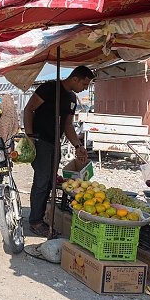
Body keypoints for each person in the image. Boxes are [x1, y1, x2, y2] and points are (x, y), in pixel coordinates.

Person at [24, 66, 94, 237]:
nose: (85, 88)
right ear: (75, 78)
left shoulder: (71, 98)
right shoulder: (49, 88)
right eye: (84, 84)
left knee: (50, 182)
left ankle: (41, 217)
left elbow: (68, 125)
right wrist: (30, 136)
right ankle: (35, 221)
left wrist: (78, 146)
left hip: (55, 144)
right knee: (41, 180)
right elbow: (28, 110)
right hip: (40, 141)